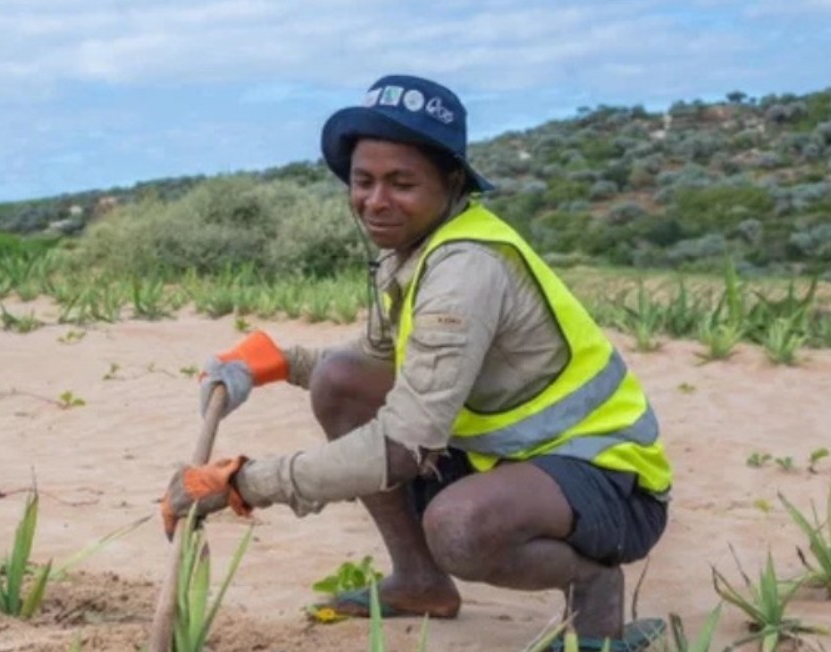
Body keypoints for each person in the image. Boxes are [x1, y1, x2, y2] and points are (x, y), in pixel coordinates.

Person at [161, 74, 672, 650]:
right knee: (339, 381)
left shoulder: (465, 269)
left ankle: (594, 590)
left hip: (608, 479)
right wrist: (276, 362)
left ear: (451, 182)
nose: (376, 201)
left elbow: (403, 446)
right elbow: (370, 361)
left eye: (402, 183)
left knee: (459, 527)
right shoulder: (412, 252)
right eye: (364, 181)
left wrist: (244, 483)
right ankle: (419, 581)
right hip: (511, 461)